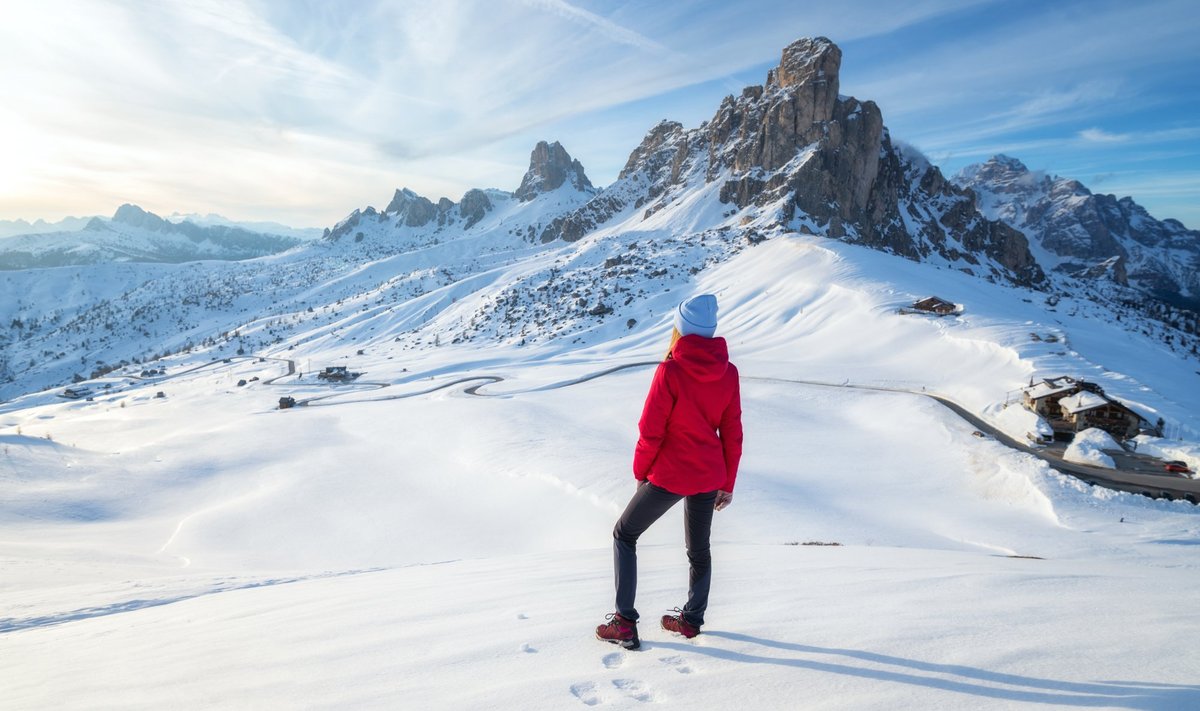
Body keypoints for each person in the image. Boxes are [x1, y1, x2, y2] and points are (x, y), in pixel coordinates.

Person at [595, 294, 743, 650]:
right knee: (699, 549)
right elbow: (732, 431)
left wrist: (641, 472)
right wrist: (727, 482)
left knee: (624, 535)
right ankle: (691, 621)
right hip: (708, 474)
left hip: (670, 475)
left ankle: (624, 622)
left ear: (680, 329)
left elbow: (651, 429)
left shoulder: (671, 369)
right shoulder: (729, 371)